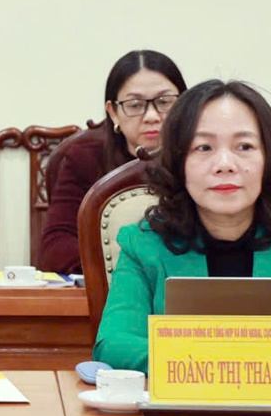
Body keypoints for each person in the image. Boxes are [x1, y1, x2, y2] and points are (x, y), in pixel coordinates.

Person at [93, 79, 271, 371]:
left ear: (268, 159)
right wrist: (242, 362)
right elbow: (113, 346)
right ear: (178, 163)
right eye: (203, 147)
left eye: (244, 146)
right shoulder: (143, 244)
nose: (225, 164)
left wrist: (220, 360)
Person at [40, 50, 187, 275]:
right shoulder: (85, 159)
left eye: (165, 102)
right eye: (135, 105)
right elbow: (55, 248)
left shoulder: (204, 159)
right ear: (113, 112)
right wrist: (130, 267)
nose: (151, 116)